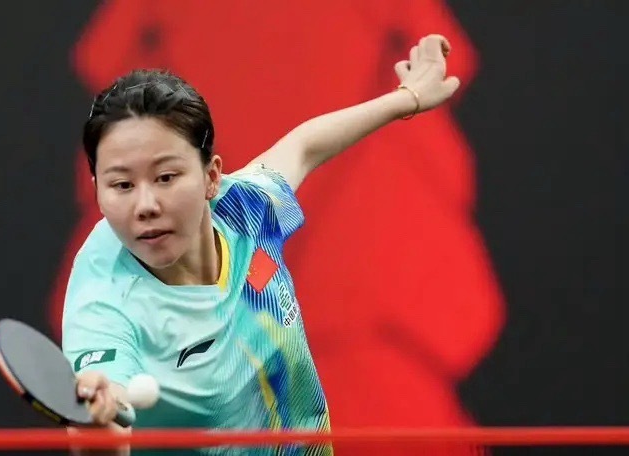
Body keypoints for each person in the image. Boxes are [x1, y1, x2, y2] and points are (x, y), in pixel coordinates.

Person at [61, 34, 460, 455]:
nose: (145, 205)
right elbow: (107, 434)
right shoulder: (103, 302)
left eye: (165, 177)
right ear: (97, 189)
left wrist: (408, 97)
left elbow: (304, 146)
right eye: (122, 185)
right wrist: (98, 423)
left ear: (212, 178)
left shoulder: (242, 210)